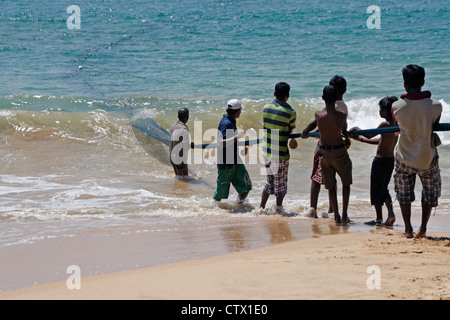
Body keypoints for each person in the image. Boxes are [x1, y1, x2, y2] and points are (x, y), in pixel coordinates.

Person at [392, 64, 442, 238]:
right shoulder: (436, 106)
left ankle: (408, 229)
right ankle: (423, 228)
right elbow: (435, 122)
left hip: (404, 156)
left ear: (405, 84)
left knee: (404, 194)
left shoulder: (397, 106)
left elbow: (395, 122)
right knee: (428, 194)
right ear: (423, 82)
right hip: (426, 157)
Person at [301, 76, 348, 218]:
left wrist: (307, 133)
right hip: (339, 147)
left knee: (316, 178)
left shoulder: (326, 108)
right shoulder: (343, 108)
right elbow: (342, 128)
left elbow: (319, 125)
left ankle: (313, 209)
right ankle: (332, 209)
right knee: (332, 180)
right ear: (344, 91)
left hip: (324, 148)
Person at [350, 96, 398, 226]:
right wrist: (361, 140)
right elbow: (380, 141)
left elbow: (371, 134)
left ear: (385, 111)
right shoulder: (396, 125)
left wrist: (356, 129)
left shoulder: (385, 124)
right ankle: (385, 216)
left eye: (380, 109)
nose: (379, 111)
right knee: (383, 188)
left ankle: (384, 217)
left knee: (376, 189)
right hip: (390, 160)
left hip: (380, 161)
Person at [315, 85, 352, 225]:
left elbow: (311, 128)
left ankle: (336, 216)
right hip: (339, 152)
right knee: (346, 183)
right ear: (337, 98)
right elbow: (344, 128)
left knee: (331, 186)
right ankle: (344, 215)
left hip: (324, 152)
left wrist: (305, 133)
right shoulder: (342, 115)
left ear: (323, 98)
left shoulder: (318, 115)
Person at [260, 82, 296, 214]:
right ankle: (278, 209)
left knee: (269, 181)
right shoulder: (291, 112)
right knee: (280, 183)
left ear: (274, 94)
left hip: (266, 150)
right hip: (280, 152)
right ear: (288, 95)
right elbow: (290, 130)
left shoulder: (265, 108)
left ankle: (261, 207)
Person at [213, 99, 252, 203]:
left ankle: (238, 206)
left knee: (246, 186)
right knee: (220, 193)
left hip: (235, 159)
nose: (240, 112)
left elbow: (231, 140)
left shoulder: (231, 121)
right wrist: (237, 137)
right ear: (236, 111)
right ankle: (213, 211)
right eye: (240, 110)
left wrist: (243, 142)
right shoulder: (226, 123)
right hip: (225, 162)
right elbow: (221, 143)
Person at [169, 108, 190, 176]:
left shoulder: (173, 126)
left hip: (172, 156)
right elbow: (186, 146)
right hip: (180, 159)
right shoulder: (184, 128)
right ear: (187, 117)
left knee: (179, 179)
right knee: (185, 179)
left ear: (178, 116)